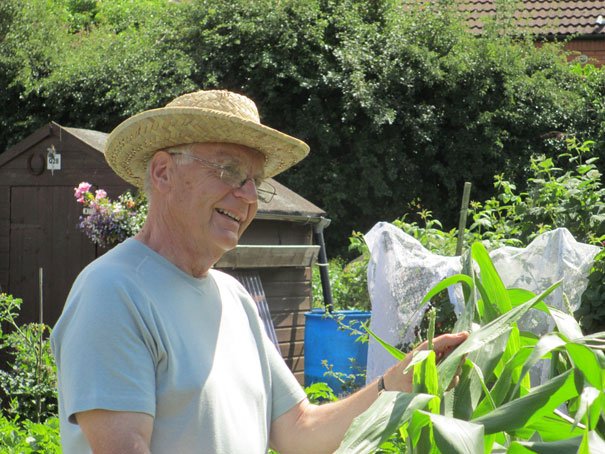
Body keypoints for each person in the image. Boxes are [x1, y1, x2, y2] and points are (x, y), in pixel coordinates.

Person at [51, 89, 468, 453]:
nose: (249, 196)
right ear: (163, 172)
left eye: (254, 181)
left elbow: (299, 431)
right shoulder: (113, 291)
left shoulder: (233, 298)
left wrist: (397, 381)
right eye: (229, 170)